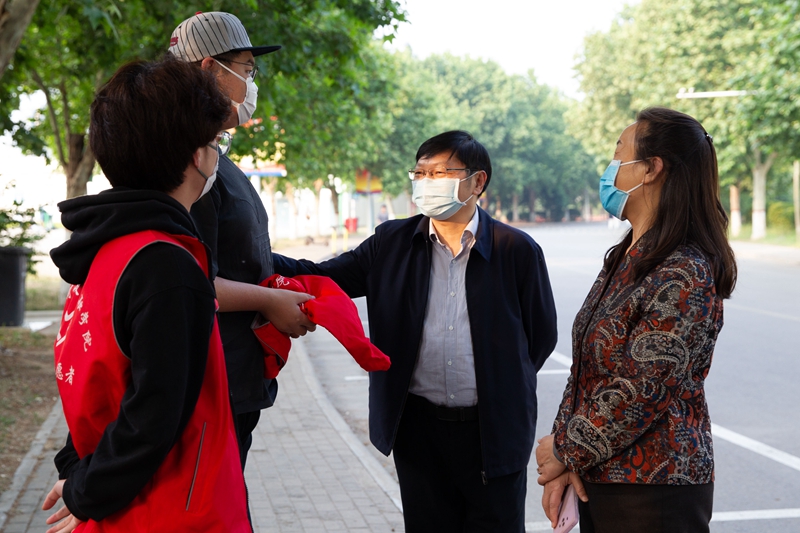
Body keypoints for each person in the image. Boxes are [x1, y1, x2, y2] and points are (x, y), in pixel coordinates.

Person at [274, 130, 558, 532]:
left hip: (492, 432)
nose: (427, 183)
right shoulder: (391, 243)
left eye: (440, 173)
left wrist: (500, 381)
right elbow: (321, 275)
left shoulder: (516, 250)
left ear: (477, 182)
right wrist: (252, 259)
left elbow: (540, 338)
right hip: (418, 430)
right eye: (420, 173)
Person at [42, 57, 249, 532]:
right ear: (197, 157)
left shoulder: (103, 252)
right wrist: (82, 489)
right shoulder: (168, 265)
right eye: (216, 142)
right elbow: (153, 415)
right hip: (173, 512)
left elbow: (98, 386)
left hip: (120, 505)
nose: (218, 155)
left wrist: (79, 473)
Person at [535, 107, 737, 533]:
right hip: (602, 478)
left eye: (618, 154)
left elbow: (642, 388)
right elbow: (586, 371)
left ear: (650, 169)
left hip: (653, 493)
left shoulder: (684, 270)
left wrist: (565, 450)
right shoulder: (627, 256)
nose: (610, 169)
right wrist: (565, 462)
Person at [168, 11, 316, 471]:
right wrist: (269, 301)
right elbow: (186, 277)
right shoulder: (188, 166)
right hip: (209, 384)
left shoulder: (213, 154)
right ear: (210, 69)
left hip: (233, 381)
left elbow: (241, 255)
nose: (251, 83)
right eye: (247, 69)